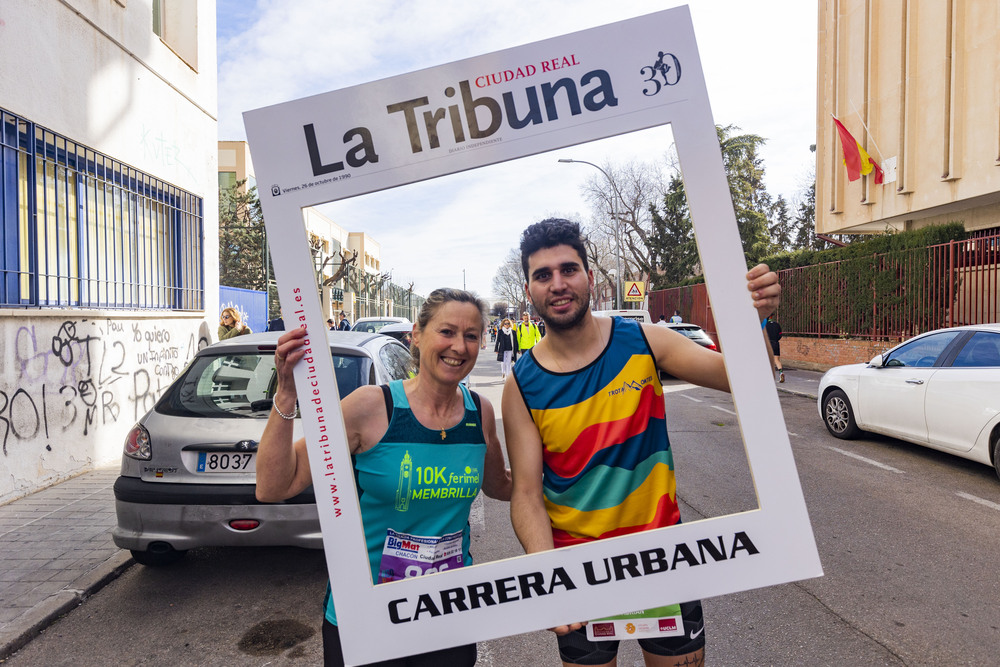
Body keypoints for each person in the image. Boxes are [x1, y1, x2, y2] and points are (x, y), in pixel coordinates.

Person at [502, 218, 780, 667]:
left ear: (590, 278)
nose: (558, 283)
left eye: (568, 269)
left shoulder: (645, 341)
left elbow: (752, 380)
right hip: (578, 575)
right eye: (543, 274)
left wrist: (759, 318)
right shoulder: (522, 384)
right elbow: (528, 494)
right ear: (529, 290)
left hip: (663, 561)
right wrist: (546, 574)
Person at [256, 288, 511, 667]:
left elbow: (500, 485)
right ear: (417, 335)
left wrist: (568, 467)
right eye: (447, 331)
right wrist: (287, 395)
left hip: (448, 608)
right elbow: (275, 486)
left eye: (471, 335)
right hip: (366, 609)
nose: (459, 346)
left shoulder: (480, 412)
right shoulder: (371, 406)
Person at [765, 317, 784, 383]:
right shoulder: (777, 324)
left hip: (768, 344)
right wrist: (776, 340)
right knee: (777, 360)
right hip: (776, 343)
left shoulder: (765, 325)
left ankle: (768, 376)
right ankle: (781, 373)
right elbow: (780, 335)